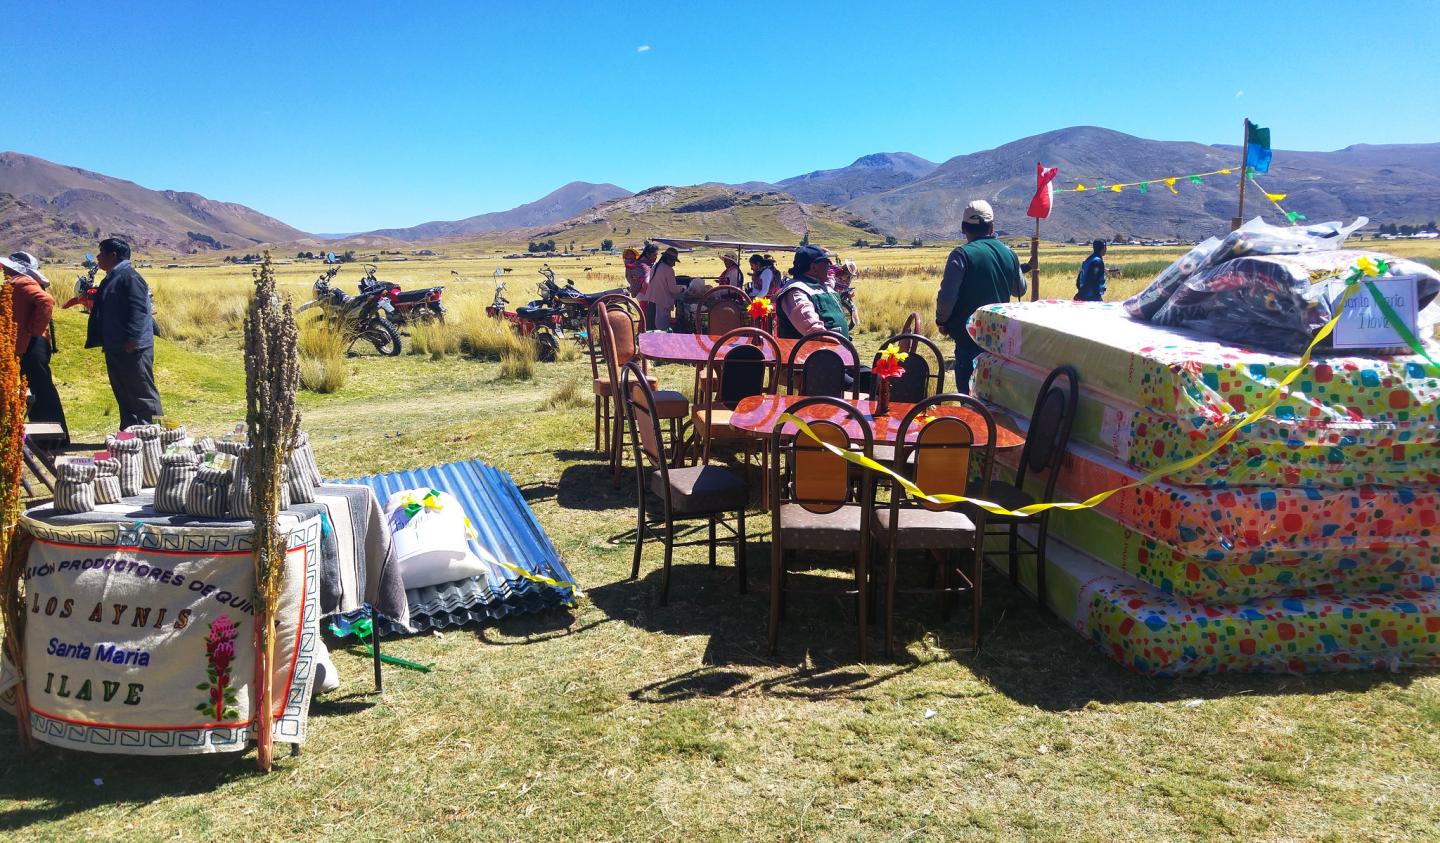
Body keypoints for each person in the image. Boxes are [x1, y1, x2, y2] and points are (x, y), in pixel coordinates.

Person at [935, 200, 1026, 392]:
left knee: (969, 397)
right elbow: (1020, 290)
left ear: (963, 228)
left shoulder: (961, 255)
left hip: (970, 338)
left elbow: (947, 297)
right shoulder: (1009, 253)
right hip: (1000, 340)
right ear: (992, 227)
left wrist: (941, 321)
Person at [86, 238, 162, 428]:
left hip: (132, 348)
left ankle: (154, 433)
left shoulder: (130, 277)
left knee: (142, 392)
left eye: (101, 252)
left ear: (113, 255)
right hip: (116, 345)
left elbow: (139, 310)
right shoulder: (114, 276)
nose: (98, 256)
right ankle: (130, 432)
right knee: (124, 392)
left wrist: (133, 339)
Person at [2, 253, 68, 440]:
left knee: (40, 389)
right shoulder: (21, 281)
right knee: (38, 388)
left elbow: (46, 301)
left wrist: (34, 330)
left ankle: (52, 438)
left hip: (33, 344)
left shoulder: (22, 282)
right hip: (32, 342)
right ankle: (48, 438)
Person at [775, 245, 851, 340]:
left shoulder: (823, 286)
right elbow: (810, 324)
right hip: (812, 353)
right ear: (814, 267)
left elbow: (831, 281)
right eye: (826, 263)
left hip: (834, 350)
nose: (829, 267)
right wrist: (823, 336)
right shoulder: (796, 290)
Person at [641, 246, 682, 330]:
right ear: (668, 259)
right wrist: (683, 288)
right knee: (661, 331)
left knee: (651, 329)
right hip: (662, 304)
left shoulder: (656, 266)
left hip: (652, 302)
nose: (674, 264)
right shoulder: (668, 269)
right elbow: (672, 289)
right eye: (673, 261)